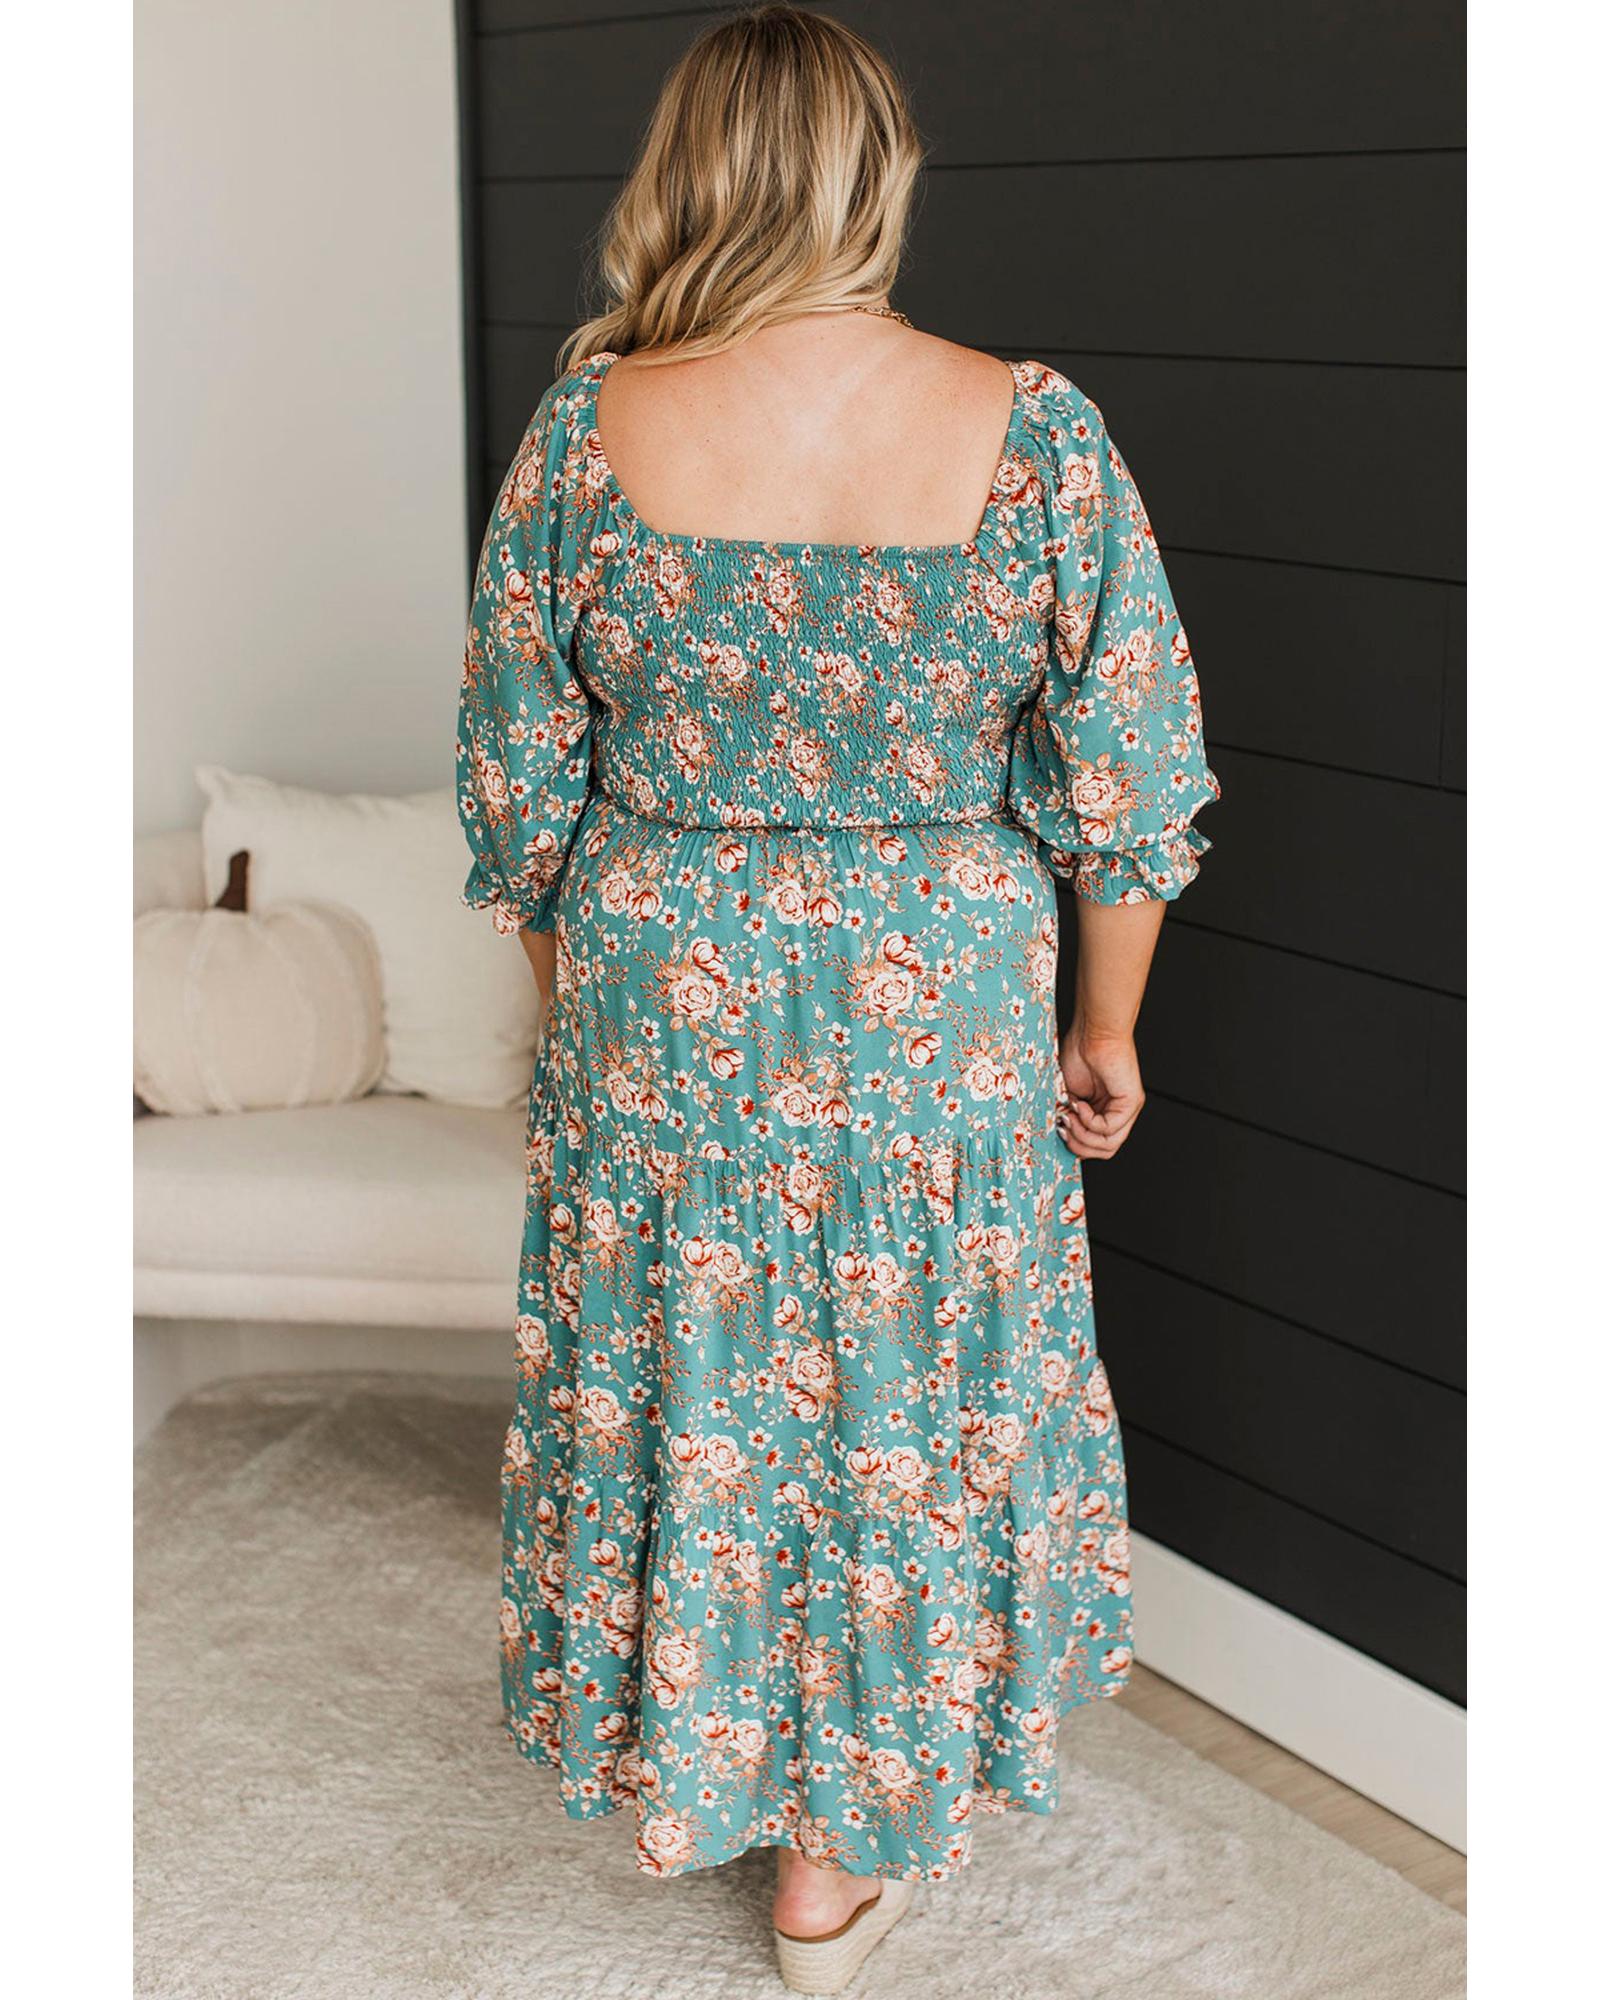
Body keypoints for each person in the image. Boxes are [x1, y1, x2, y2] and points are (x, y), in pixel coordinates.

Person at [456, 6, 1218, 1990]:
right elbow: (1132, 781)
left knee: (705, 1381)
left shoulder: (584, 432)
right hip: (932, 1004)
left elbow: (519, 800)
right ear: (878, 175)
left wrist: (601, 1013)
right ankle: (836, 1849)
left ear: (687, 170)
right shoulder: (1031, 428)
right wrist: (1105, 1031)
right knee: (899, 1391)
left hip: (662, 990)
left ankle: (709, 1764)